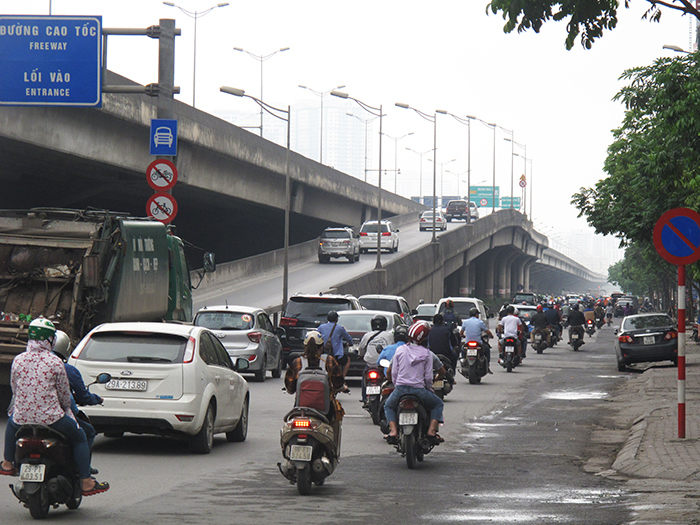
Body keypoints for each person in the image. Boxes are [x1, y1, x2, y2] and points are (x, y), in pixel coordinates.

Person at [1, 318, 109, 496]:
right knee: (81, 436)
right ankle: (86, 481)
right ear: (49, 340)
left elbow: (15, 388)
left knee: (11, 423)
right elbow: (64, 395)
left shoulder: (18, 360)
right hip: (51, 418)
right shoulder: (55, 362)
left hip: (22, 417)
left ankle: (6, 463)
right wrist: (65, 409)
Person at [383, 321, 445, 445]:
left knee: (388, 406)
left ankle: (393, 431)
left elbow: (394, 372)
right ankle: (432, 431)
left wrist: (397, 385)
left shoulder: (400, 350)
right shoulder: (427, 354)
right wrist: (428, 389)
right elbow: (428, 377)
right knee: (438, 404)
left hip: (400, 389)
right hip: (419, 391)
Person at [52, 331, 103, 475]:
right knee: (84, 434)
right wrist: (97, 399)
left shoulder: (23, 363)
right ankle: (83, 472)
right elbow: (68, 399)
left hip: (23, 416)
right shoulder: (63, 369)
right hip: (55, 416)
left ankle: (8, 463)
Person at [284, 330, 345, 446]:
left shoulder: (298, 363)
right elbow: (339, 383)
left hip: (300, 411)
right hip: (326, 412)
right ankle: (332, 453)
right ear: (322, 346)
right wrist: (342, 387)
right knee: (334, 428)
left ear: (305, 346)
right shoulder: (329, 361)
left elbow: (290, 388)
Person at [358, 315, 394, 403]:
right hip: (383, 365)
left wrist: (360, 355)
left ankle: (364, 398)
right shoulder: (389, 335)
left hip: (370, 364)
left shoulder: (367, 335)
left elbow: (361, 348)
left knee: (364, 378)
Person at [317, 310, 354, 386]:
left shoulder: (321, 327)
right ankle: (342, 379)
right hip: (336, 355)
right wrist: (350, 343)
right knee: (347, 361)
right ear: (336, 319)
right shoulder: (340, 328)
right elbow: (349, 338)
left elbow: (316, 335)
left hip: (323, 355)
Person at [460, 308, 494, 372]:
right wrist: (491, 336)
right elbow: (487, 332)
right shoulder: (480, 322)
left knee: (462, 349)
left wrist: (463, 335)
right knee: (487, 350)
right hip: (478, 343)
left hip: (468, 343)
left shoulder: (465, 322)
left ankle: (464, 360)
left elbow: (461, 333)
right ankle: (487, 366)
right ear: (476, 315)